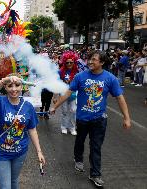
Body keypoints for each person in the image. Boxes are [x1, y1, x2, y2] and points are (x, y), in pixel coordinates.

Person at [50, 50, 131, 187]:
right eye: (90, 59)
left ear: (102, 62)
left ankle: (95, 174)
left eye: (94, 59)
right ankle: (78, 159)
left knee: (96, 146)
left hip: (99, 119)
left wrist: (126, 118)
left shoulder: (110, 78)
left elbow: (120, 98)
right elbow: (68, 93)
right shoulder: (80, 76)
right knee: (80, 141)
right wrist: (55, 106)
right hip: (82, 118)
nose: (90, 62)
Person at [0, 74, 46, 189]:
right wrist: (3, 80)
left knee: (14, 181)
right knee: (5, 186)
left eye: (17, 85)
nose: (14, 89)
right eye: (10, 86)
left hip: (20, 152)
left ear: (22, 86)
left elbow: (32, 129)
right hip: (1, 151)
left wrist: (39, 151)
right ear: (5, 88)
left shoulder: (28, 106)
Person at [56, 51, 78, 135]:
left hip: (73, 94)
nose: (69, 64)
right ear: (64, 62)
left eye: (71, 62)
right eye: (67, 62)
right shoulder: (61, 71)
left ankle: (72, 127)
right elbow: (57, 83)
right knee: (65, 111)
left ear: (74, 62)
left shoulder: (77, 71)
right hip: (63, 94)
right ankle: (64, 126)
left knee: (73, 110)